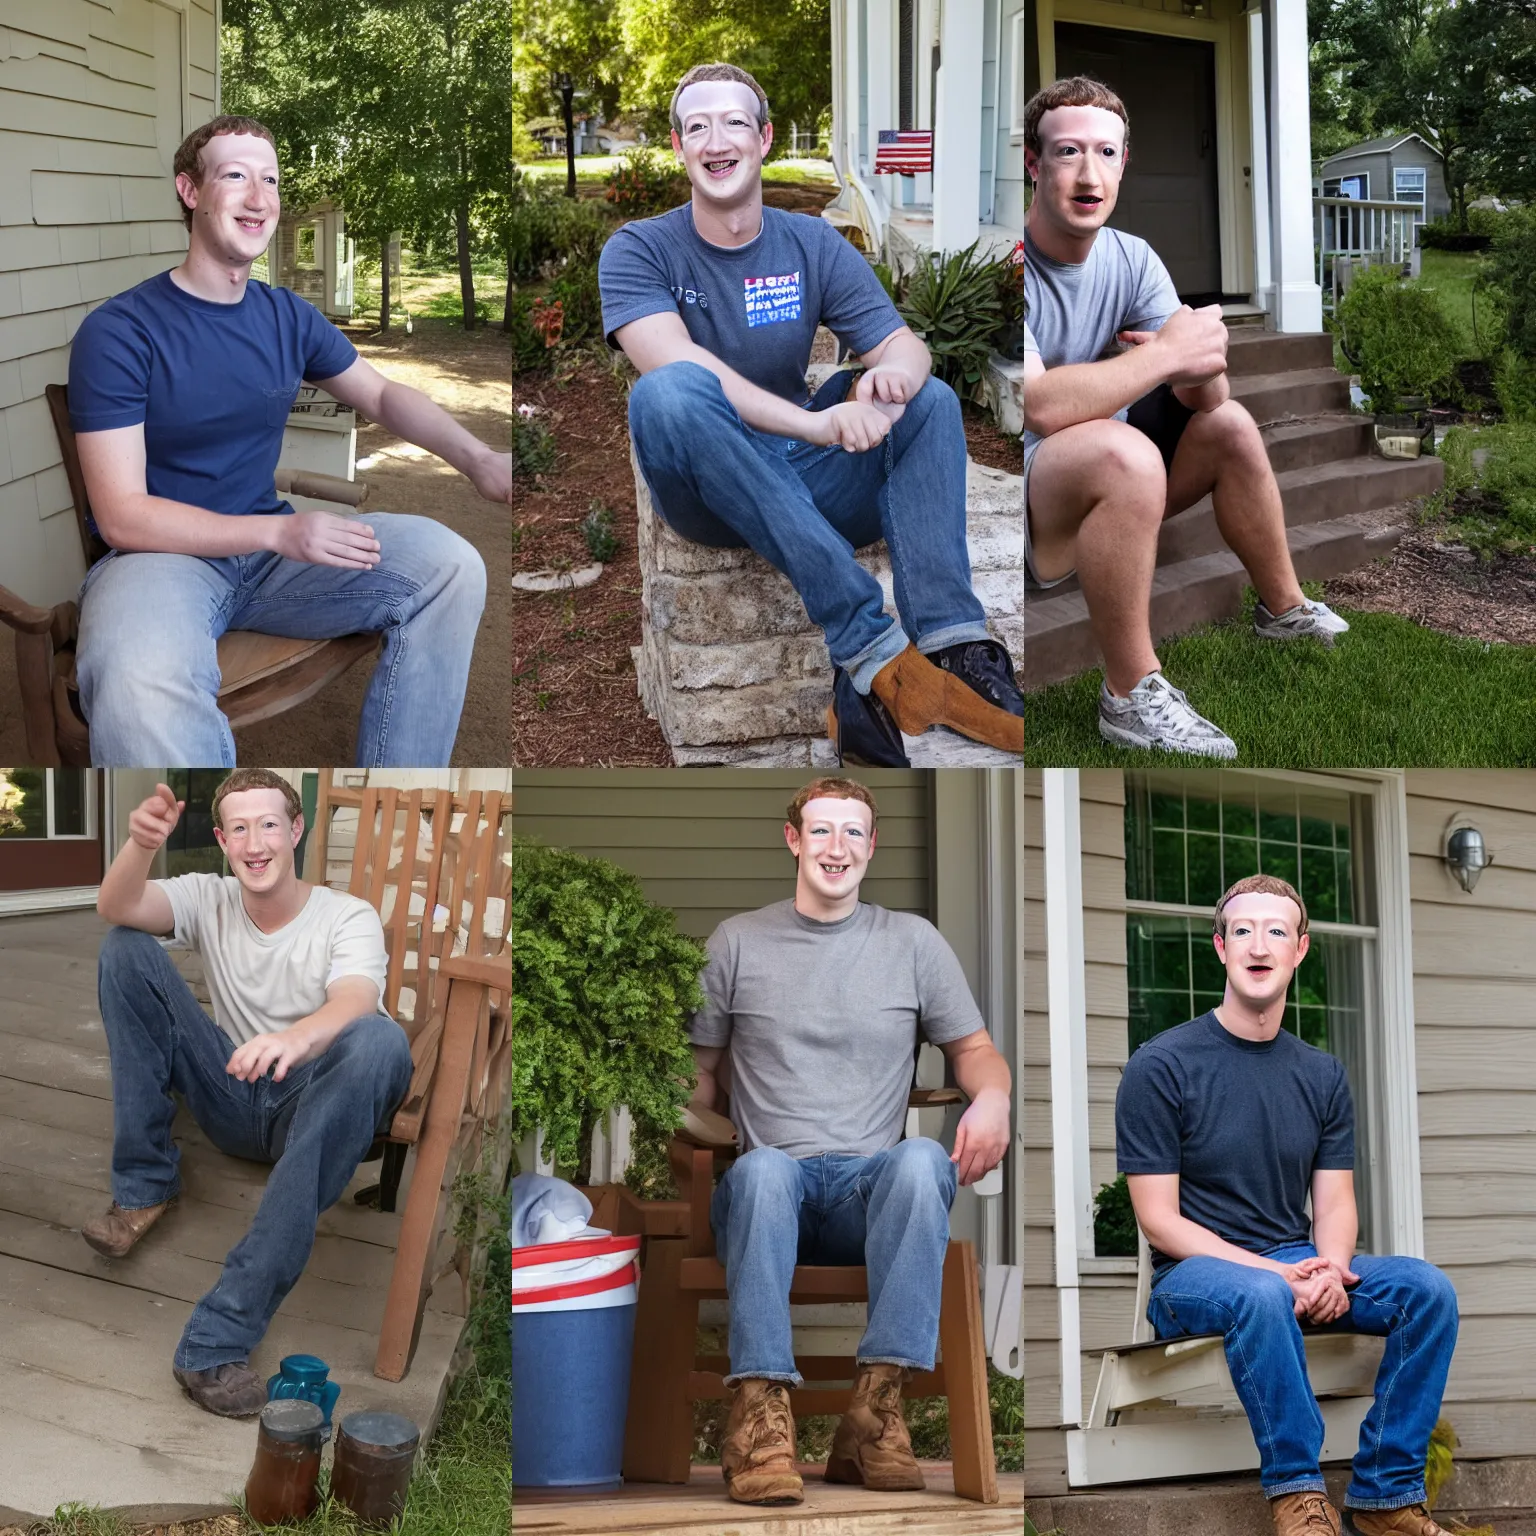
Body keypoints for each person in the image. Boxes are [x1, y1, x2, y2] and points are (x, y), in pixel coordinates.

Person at [598, 62, 1025, 767]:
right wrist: (817, 424)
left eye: (734, 121)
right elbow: (676, 364)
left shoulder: (812, 243)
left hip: (806, 476)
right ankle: (871, 646)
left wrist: (882, 387)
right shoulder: (639, 249)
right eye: (697, 125)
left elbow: (906, 347)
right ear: (679, 148)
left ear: (764, 138)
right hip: (712, 488)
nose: (716, 139)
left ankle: (949, 653)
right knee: (668, 393)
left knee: (932, 398)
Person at [67, 115, 509, 767]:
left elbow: (382, 394)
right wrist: (278, 533)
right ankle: (204, 857)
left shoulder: (286, 316)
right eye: (235, 175)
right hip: (158, 560)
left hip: (272, 562)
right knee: (137, 681)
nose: (259, 196)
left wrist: (478, 457)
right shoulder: (121, 331)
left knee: (451, 566)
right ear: (190, 191)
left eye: (270, 179)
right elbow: (123, 516)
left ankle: (397, 801)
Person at [687, 776, 1013, 1504]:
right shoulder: (738, 941)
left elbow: (975, 1052)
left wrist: (993, 1096)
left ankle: (875, 1415)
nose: (838, 847)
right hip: (770, 1196)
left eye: (854, 832)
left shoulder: (912, 943)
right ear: (794, 840)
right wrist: (678, 1124)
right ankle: (761, 1419)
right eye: (823, 830)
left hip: (870, 1198)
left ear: (872, 846)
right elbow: (699, 1078)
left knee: (923, 1157)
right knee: (765, 1171)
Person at [1116, 874, 1458, 1536]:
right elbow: (1159, 1219)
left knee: (1427, 1291)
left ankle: (1386, 1498)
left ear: (1300, 949)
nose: (1259, 943)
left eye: (1277, 930)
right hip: (1193, 1275)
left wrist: (1329, 1268)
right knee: (1263, 1296)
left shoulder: (1322, 1074)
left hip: (1297, 1264)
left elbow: (1335, 1204)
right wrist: (1279, 1276)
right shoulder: (1161, 1067)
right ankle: (1299, 1497)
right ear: (1220, 947)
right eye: (1243, 930)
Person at [1021, 77, 1350, 760]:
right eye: (1067, 153)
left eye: (1106, 154)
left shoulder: (1133, 258)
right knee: (1125, 451)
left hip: (1108, 471)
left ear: (1124, 162)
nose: (1089, 174)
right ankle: (1129, 694)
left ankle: (1283, 609)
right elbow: (1042, 405)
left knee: (1230, 428)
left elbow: (1209, 395)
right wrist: (1167, 354)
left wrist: (1200, 361)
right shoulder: (1008, 263)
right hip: (1029, 498)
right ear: (1034, 163)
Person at [85, 769, 412, 1418]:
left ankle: (215, 1339)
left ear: (296, 830)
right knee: (125, 949)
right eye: (239, 827)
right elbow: (118, 908)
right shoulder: (209, 897)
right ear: (223, 840)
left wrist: (302, 1039)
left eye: (269, 823)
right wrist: (141, 844)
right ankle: (146, 1186)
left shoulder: (346, 915)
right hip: (232, 1091)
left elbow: (355, 998)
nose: (255, 841)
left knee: (378, 1040)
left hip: (310, 1104)